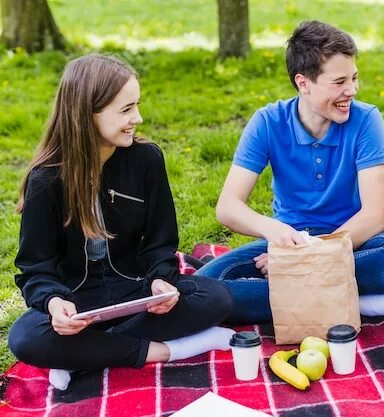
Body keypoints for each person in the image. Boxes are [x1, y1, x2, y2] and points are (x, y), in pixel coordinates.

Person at [8, 54, 234, 391]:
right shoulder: (46, 181)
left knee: (216, 297)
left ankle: (80, 355)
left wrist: (160, 280)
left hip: (136, 293)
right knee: (25, 337)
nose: (138, 118)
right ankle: (167, 351)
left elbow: (160, 243)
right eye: (126, 110)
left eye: (136, 106)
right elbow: (36, 266)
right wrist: (55, 303)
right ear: (88, 114)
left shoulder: (146, 160)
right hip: (77, 301)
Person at [195, 21, 384, 324]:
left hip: (353, 243)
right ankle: (351, 298)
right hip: (287, 243)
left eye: (354, 78)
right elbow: (228, 208)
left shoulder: (366, 120)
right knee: (201, 289)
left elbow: (377, 216)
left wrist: (311, 258)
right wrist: (278, 235)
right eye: (339, 82)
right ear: (303, 83)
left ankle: (304, 295)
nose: (352, 90)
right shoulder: (268, 122)